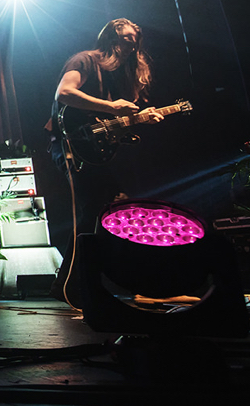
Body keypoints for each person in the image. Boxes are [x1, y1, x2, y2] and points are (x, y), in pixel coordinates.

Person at [46, 18, 163, 306]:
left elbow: (111, 124)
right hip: (73, 145)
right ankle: (74, 286)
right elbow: (65, 93)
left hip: (102, 151)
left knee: (112, 211)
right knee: (91, 213)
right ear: (112, 35)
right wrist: (111, 106)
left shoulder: (125, 75)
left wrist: (140, 118)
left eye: (137, 34)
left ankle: (77, 284)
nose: (134, 38)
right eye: (127, 33)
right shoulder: (86, 60)